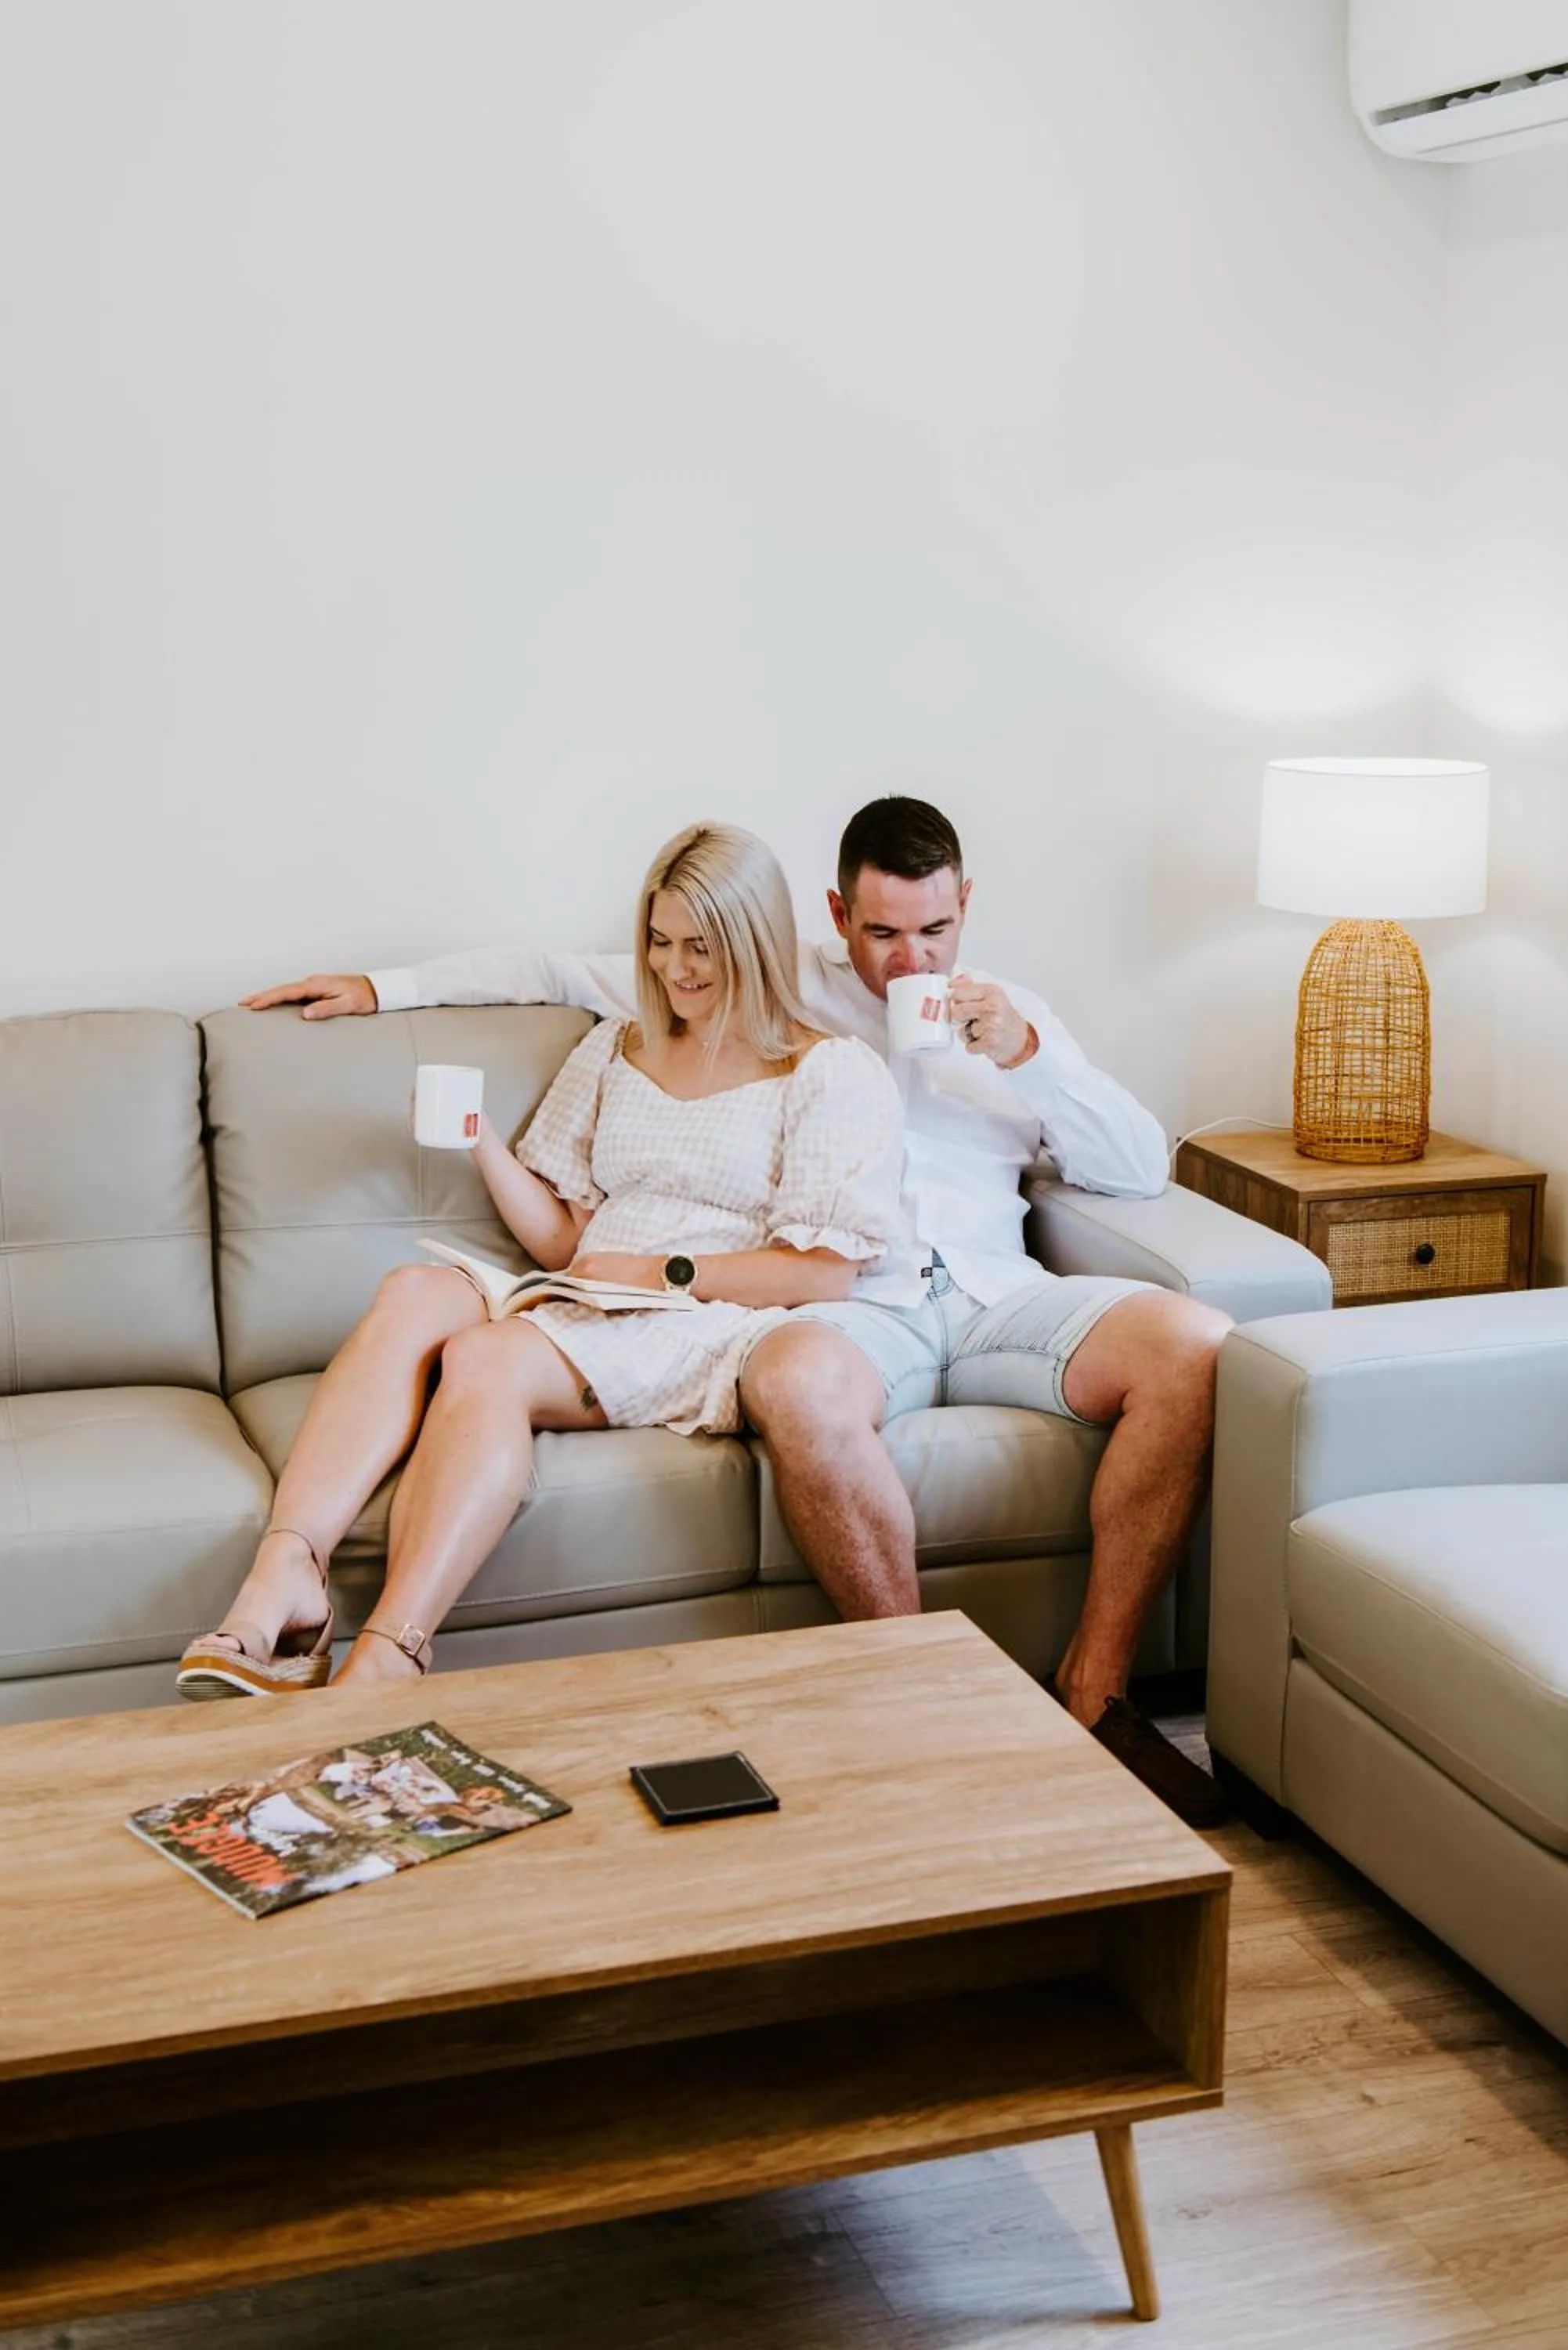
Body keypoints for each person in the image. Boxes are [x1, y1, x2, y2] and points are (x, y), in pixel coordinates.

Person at [243, 798, 1230, 1825]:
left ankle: (1098, 1694)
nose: (907, 961)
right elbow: (553, 974)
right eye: (882, 932)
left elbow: (1131, 1165)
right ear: (836, 912)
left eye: (933, 931)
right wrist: (381, 988)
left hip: (994, 1297)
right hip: (859, 1310)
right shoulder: (764, 980)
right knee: (797, 1380)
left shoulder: (1009, 1014)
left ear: (964, 908)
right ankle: (914, 1690)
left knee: (1194, 1347)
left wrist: (1029, 1054)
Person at [179, 822, 905, 1699]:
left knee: (485, 1356)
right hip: (585, 1291)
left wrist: (654, 1272)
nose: (677, 970)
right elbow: (566, 1239)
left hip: (704, 1314)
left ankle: (390, 1653)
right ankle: (284, 1578)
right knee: (416, 1292)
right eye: (662, 942)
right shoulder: (616, 1046)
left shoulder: (827, 1071)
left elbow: (823, 1271)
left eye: (702, 949)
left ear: (753, 943)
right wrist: (482, 1142)